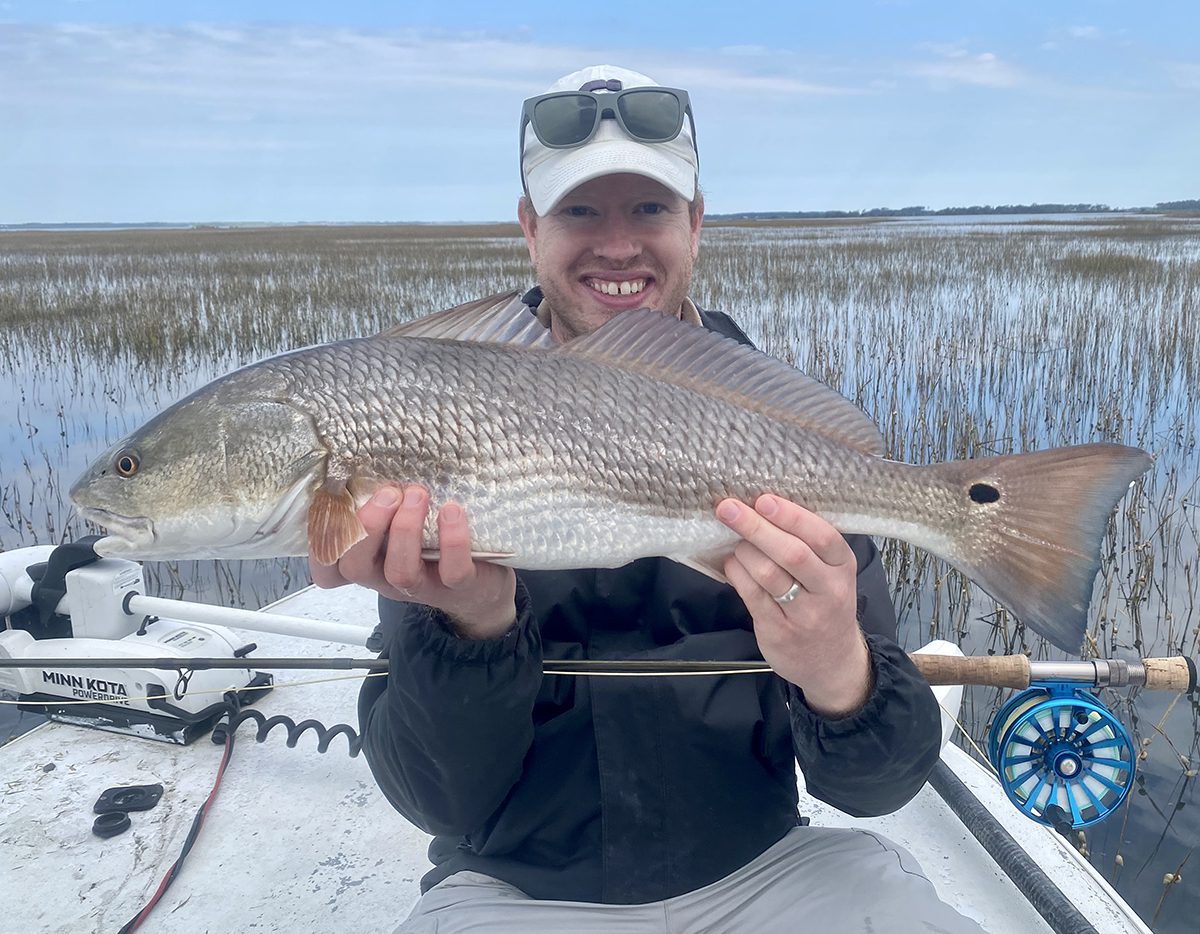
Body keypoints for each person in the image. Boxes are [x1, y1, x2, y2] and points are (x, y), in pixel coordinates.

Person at [312, 65, 984, 933]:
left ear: (697, 224)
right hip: (515, 893)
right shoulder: (436, 414)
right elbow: (438, 801)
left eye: (651, 210)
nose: (618, 245)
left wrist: (839, 674)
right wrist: (470, 628)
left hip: (766, 869)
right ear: (529, 228)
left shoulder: (772, 434)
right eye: (580, 211)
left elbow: (880, 787)